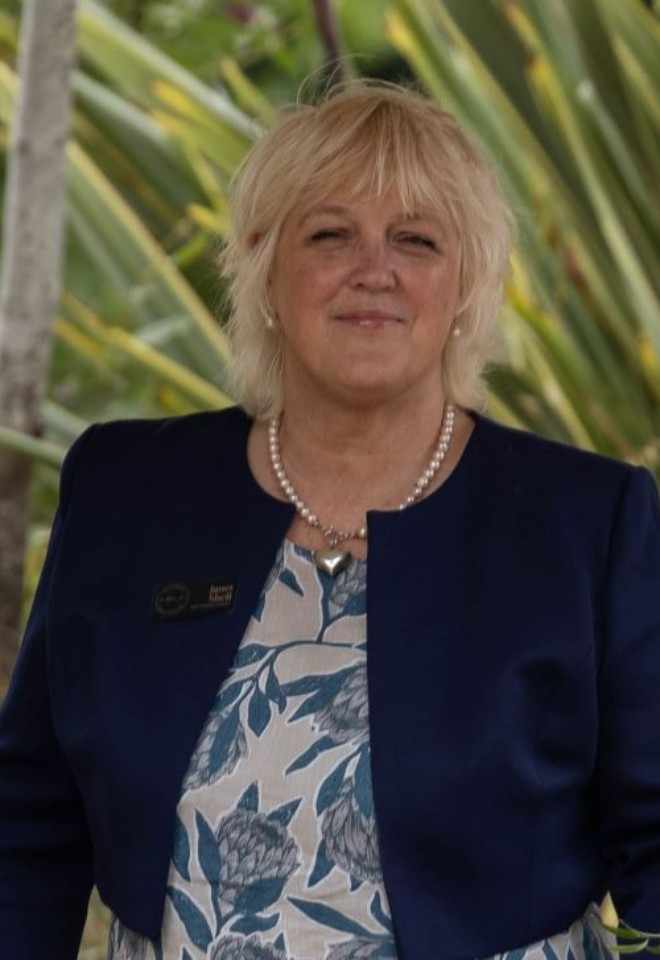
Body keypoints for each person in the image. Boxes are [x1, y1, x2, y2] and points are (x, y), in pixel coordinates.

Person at [0, 81, 659, 960]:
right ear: (266, 269)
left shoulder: (586, 524)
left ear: (464, 285)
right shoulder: (128, 490)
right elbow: (27, 826)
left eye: (416, 240)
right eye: (329, 234)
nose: (373, 270)